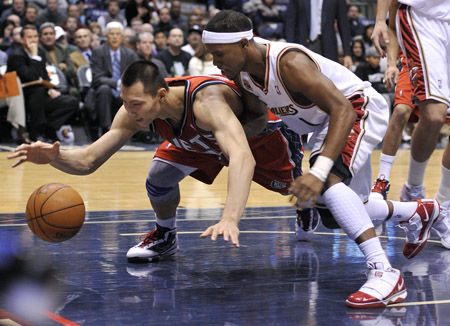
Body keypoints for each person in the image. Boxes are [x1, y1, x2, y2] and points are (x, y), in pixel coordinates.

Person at [201, 9, 446, 308]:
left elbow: (342, 108)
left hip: (356, 108)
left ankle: (385, 272)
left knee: (327, 180)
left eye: (219, 53)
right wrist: (222, 142)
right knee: (337, 212)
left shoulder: (288, 62)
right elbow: (255, 120)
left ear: (243, 44)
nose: (215, 61)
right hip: (325, 124)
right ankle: (417, 211)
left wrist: (319, 171)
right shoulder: (243, 75)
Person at [7, 61, 305, 264]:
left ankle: (307, 208)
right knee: (159, 175)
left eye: (135, 104)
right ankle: (165, 235)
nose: (128, 111)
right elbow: (88, 161)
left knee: (299, 190)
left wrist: (229, 218)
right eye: (124, 102)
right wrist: (53, 157)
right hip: (199, 142)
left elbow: (242, 157)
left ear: (161, 95)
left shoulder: (207, 103)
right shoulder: (135, 110)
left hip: (257, 138)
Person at [370, 0, 450, 248]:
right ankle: (413, 189)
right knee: (432, 114)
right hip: (423, 18)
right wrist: (380, 20)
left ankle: (443, 205)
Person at [7, 24, 79, 142]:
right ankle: (36, 133)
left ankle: (49, 129)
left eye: (35, 36)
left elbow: (43, 75)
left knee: (71, 102)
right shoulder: (17, 55)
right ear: (21, 39)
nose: (33, 39)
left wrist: (49, 88)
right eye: (29, 37)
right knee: (37, 92)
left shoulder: (40, 52)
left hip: (40, 92)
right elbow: (30, 77)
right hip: (21, 95)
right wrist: (34, 56)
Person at [86, 21, 139, 136]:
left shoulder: (130, 54)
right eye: (111, 34)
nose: (115, 37)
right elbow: (97, 78)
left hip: (124, 91)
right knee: (104, 89)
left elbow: (135, 76)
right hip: (104, 92)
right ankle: (107, 129)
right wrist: (118, 83)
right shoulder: (98, 52)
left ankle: (136, 130)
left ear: (122, 36)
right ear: (106, 35)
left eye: (117, 34)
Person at [284, 0, 353, 69]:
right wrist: (290, 49)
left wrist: (347, 54)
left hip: (328, 47)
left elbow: (344, 25)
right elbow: (290, 23)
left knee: (327, 77)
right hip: (302, 45)